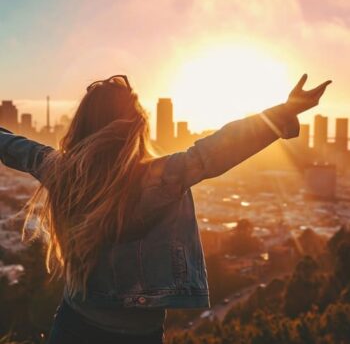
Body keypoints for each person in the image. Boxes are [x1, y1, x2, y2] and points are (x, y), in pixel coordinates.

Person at [0, 73, 331, 343]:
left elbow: (15, 147)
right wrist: (285, 112)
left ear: (83, 125)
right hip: (139, 333)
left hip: (74, 323)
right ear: (134, 128)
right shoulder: (162, 177)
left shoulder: (62, 170)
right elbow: (219, 149)